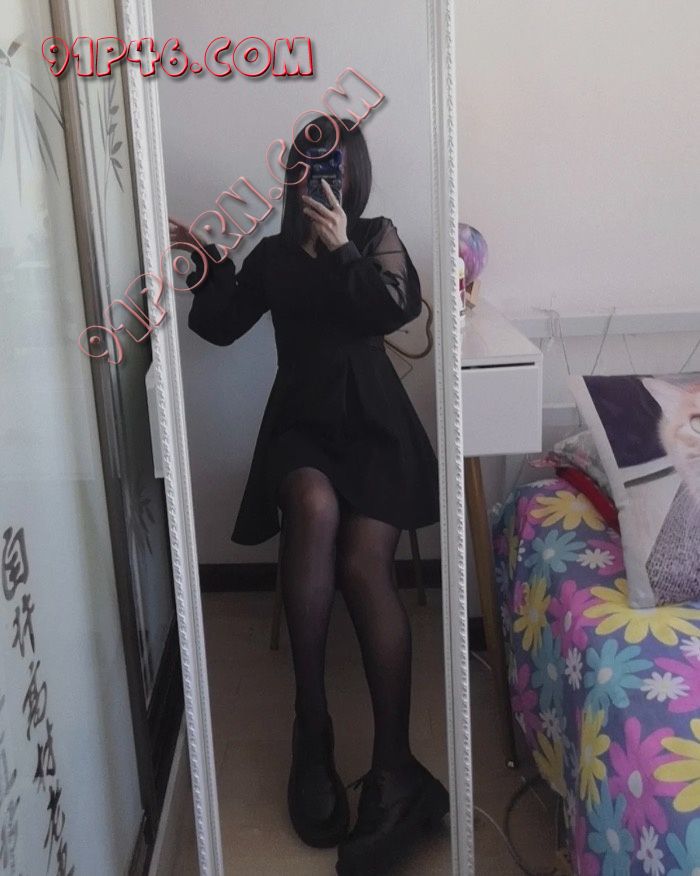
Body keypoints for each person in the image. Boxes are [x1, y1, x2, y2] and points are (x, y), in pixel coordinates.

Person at [170, 114, 449, 876]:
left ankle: (395, 769)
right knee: (314, 506)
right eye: (305, 165)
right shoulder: (270, 257)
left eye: (333, 166)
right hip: (301, 427)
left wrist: (344, 248)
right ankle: (312, 726)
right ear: (291, 175)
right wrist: (205, 262)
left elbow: (394, 306)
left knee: (363, 563)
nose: (318, 179)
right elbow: (221, 326)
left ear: (354, 176)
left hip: (375, 427)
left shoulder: (377, 236)